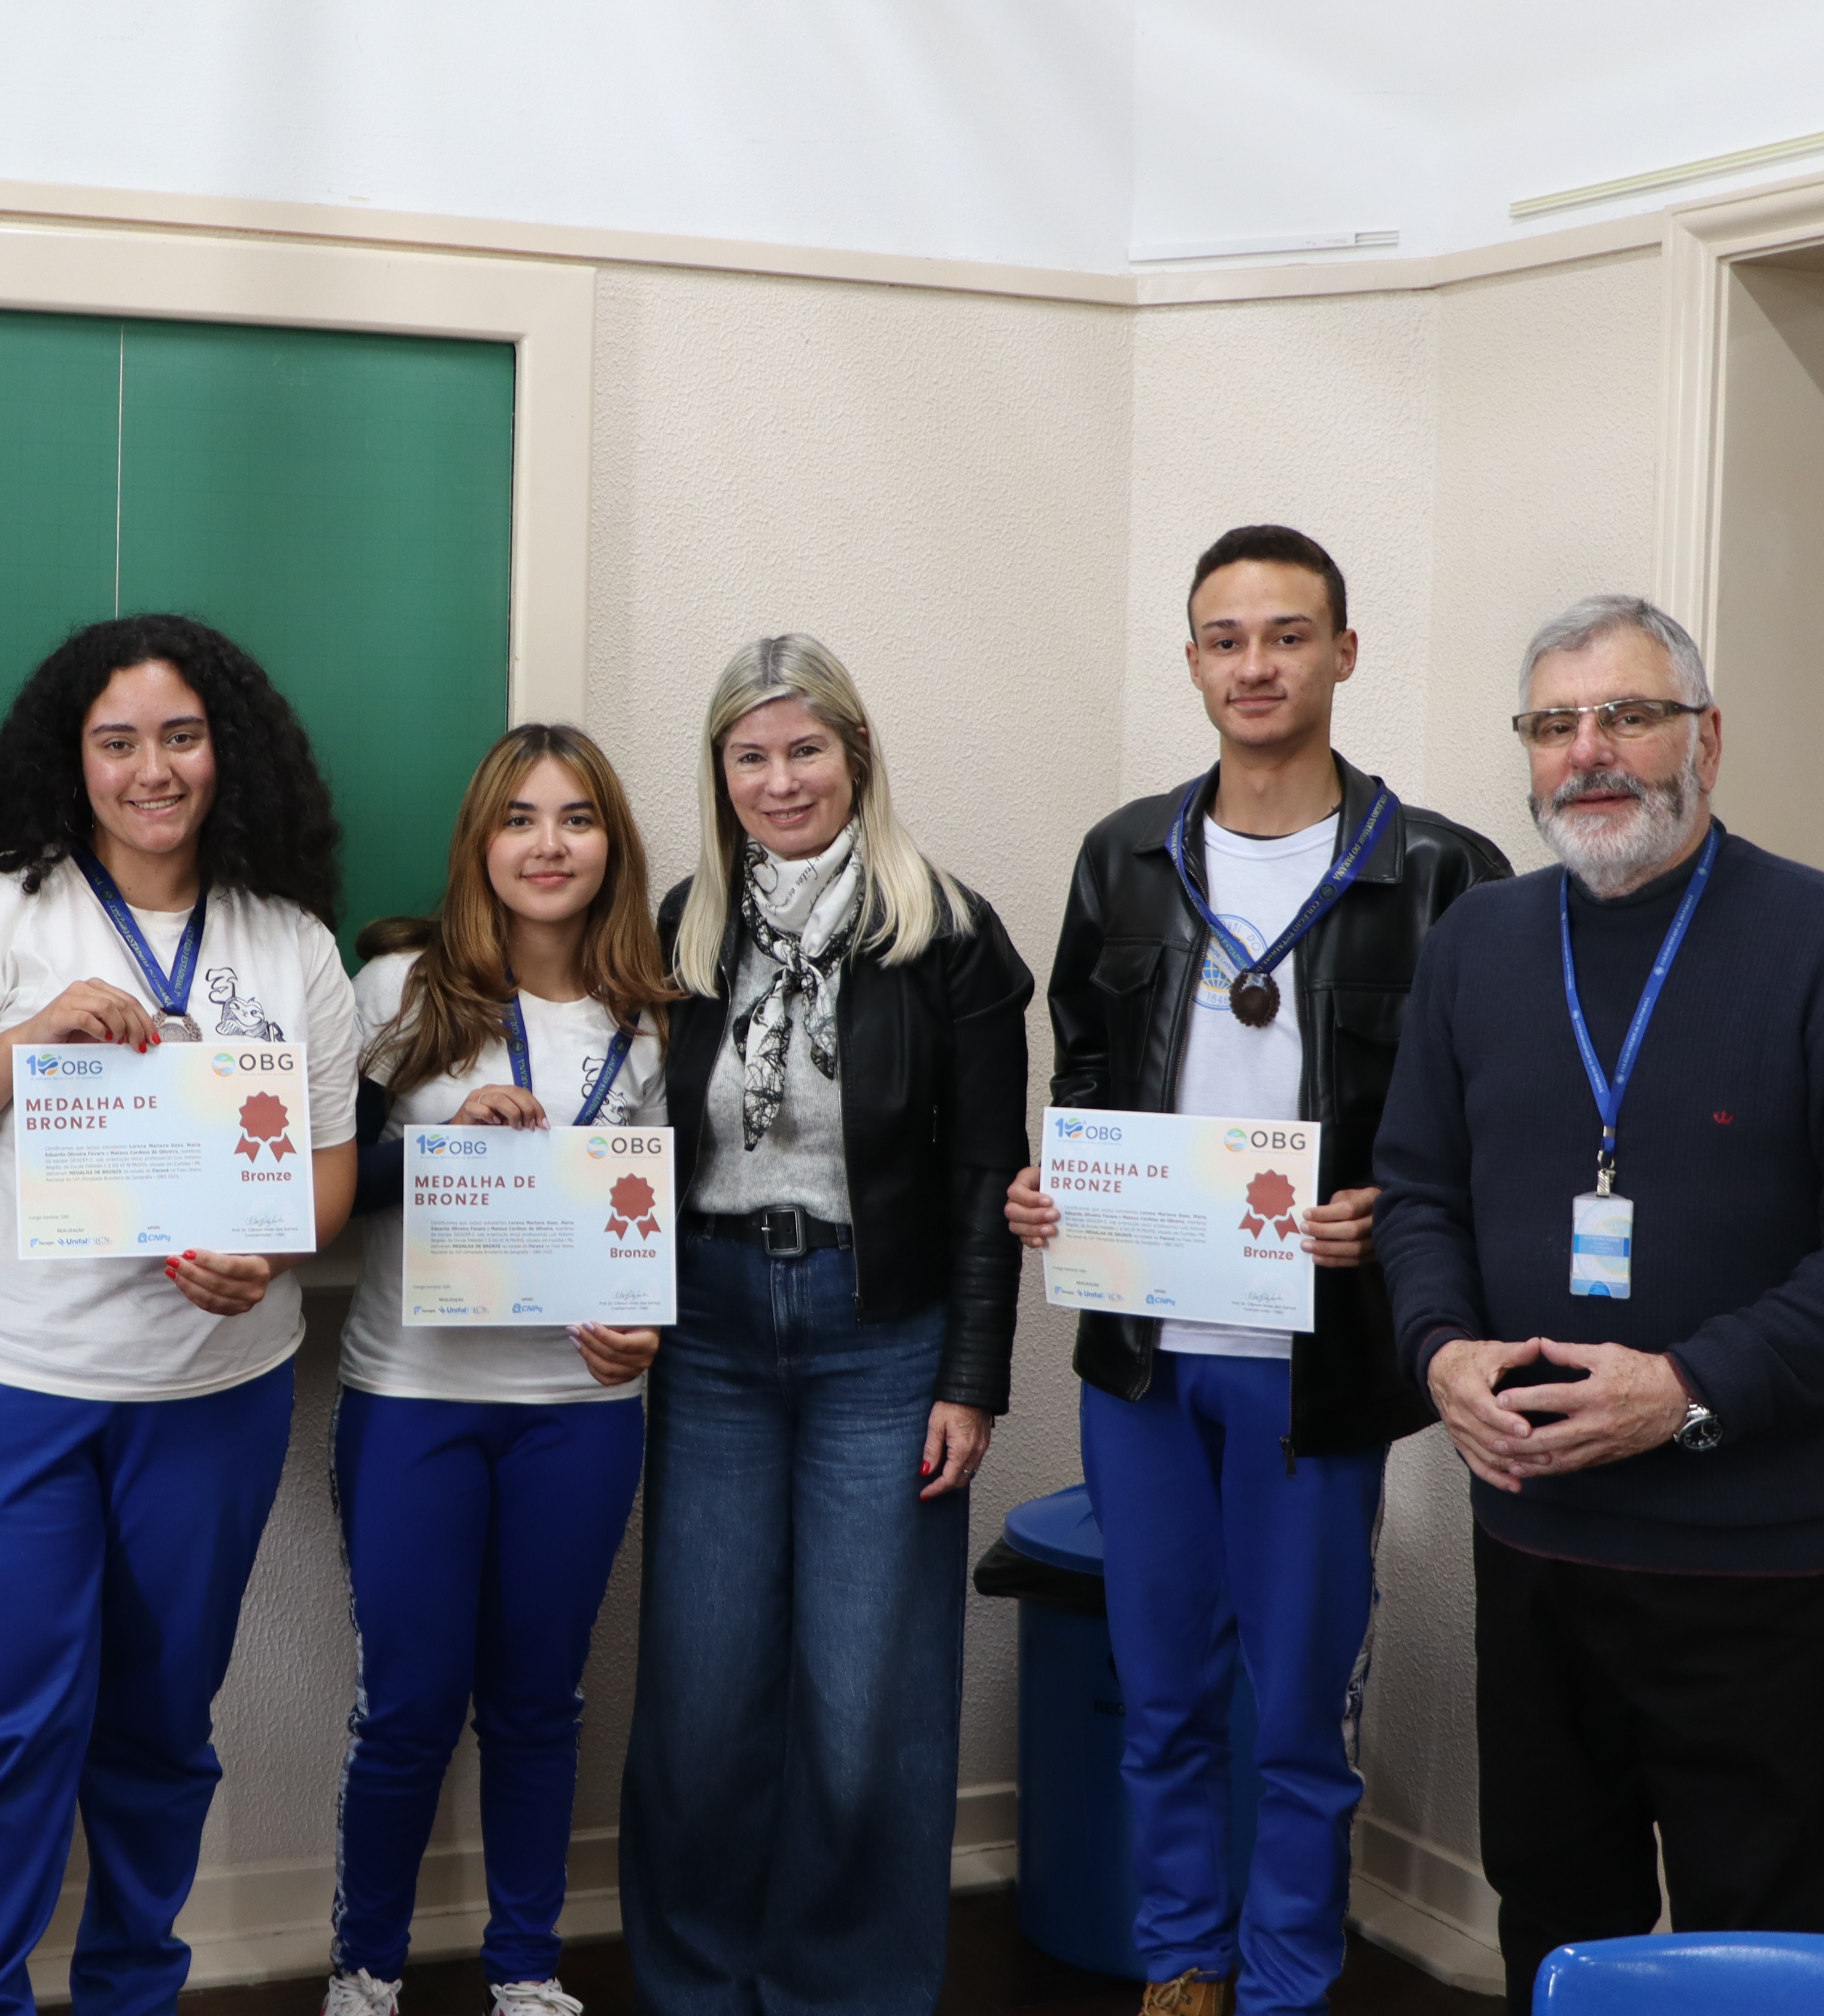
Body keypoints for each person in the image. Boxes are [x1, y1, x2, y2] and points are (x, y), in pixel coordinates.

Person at [1373, 594, 1824, 2011]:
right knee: (1554, 1913)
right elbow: (1416, 1190)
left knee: (1763, 1934)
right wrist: (1438, 1348)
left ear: (1706, 737)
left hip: (1759, 1556)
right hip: (1536, 1536)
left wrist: (1687, 1387)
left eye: (1628, 716)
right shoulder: (1476, 944)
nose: (1589, 752)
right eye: (1554, 723)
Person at [1004, 526, 1510, 2016]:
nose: (1256, 664)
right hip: (1145, 1357)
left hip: (1317, 1364)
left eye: (1288, 635)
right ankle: (1183, 1959)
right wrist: (1057, 1188)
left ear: (1343, 654)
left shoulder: (1442, 871)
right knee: (1161, 1692)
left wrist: (1394, 1212)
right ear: (1192, 662)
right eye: (1226, 639)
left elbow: (1487, 1122)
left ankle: (1287, 1978)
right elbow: (1083, 1073)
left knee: (1297, 1708)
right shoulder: (1125, 855)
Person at [0, 612, 360, 2016]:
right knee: (7, 1743)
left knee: (158, 1739)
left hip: (208, 1399)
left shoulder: (291, 942)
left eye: (183, 737)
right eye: (119, 741)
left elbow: (328, 1175)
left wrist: (266, 1252)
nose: (155, 769)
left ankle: (134, 1994)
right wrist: (30, 1039)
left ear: (228, 750)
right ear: (71, 759)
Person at [621, 634, 1033, 2016]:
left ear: (858, 756)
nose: (781, 780)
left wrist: (973, 1375)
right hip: (712, 1329)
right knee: (703, 1692)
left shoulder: (948, 932)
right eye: (751, 756)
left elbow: (985, 1174)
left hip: (884, 1337)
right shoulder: (685, 927)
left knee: (866, 1704)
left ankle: (839, 1990)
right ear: (720, 772)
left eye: (807, 749)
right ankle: (698, 1981)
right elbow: (628, 1133)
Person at [320, 725, 673, 2016]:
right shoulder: (397, 990)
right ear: (479, 842)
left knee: (537, 1701)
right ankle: (366, 1967)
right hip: (413, 1395)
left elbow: (662, 1222)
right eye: (519, 818)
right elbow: (323, 1192)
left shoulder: (654, 1017)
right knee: (410, 1704)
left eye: (577, 818)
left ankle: (526, 1966)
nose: (548, 844)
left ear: (613, 844)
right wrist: (447, 1145)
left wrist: (646, 1326)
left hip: (582, 1408)